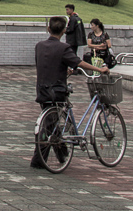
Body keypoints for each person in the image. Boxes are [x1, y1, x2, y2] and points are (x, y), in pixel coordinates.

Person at [30, 15, 110, 169]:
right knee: (50, 124)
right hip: (57, 91)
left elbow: (46, 63)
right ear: (65, 30)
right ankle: (38, 159)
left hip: (42, 90)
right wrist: (99, 69)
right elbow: (79, 63)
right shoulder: (64, 48)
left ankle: (62, 153)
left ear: (48, 29)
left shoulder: (39, 46)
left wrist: (64, 70)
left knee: (52, 122)